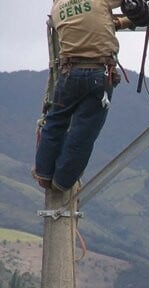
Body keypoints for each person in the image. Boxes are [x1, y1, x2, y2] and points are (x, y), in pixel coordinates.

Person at [32, 0, 131, 192]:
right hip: (98, 72)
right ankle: (62, 181)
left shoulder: (57, 8)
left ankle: (43, 173)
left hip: (68, 74)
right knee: (84, 130)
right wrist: (137, 16)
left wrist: (119, 22)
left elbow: (90, 22)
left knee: (55, 122)